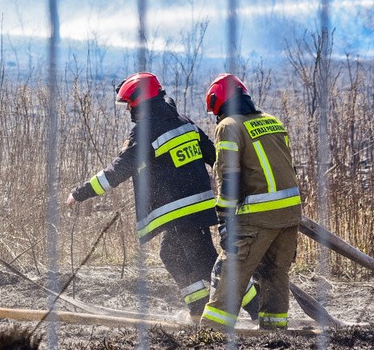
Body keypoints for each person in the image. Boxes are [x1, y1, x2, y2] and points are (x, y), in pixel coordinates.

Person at [65, 72, 259, 321]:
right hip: (196, 208)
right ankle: (198, 310)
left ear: (139, 102)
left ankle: (257, 307)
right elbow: (215, 156)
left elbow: (116, 171)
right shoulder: (184, 122)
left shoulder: (145, 133)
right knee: (171, 254)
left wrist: (79, 193)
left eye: (130, 105)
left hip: (181, 213)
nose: (129, 111)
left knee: (208, 264)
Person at [200, 73, 302, 331]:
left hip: (257, 216)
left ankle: (212, 331)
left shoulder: (229, 126)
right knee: (274, 273)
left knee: (231, 269)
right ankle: (273, 331)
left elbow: (229, 177)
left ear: (218, 103)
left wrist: (225, 220)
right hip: (289, 214)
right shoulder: (273, 122)